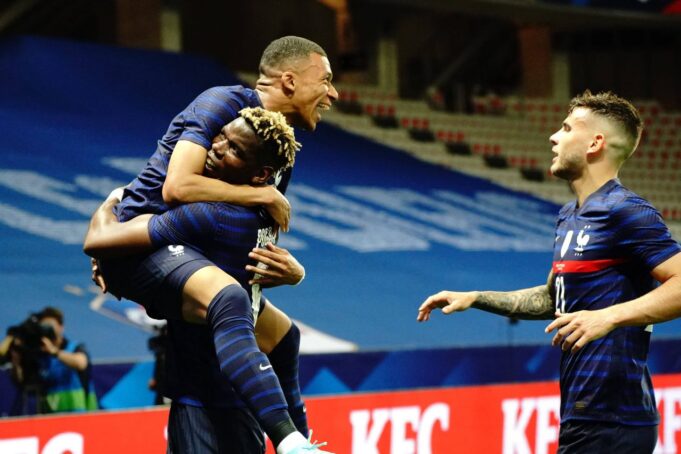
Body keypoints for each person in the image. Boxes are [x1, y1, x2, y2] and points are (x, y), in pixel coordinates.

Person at [417, 90, 681, 453]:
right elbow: (552, 297)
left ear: (595, 143)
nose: (554, 137)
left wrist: (608, 317)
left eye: (567, 127)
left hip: (615, 416)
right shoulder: (569, 216)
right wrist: (476, 298)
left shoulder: (627, 210)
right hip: (583, 413)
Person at [85, 108, 328, 453]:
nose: (216, 147)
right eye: (221, 136)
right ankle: (297, 440)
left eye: (234, 150)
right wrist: (297, 273)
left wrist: (113, 200)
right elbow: (286, 339)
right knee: (286, 333)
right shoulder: (266, 214)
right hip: (247, 400)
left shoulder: (207, 215)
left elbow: (99, 241)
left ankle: (294, 442)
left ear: (260, 175)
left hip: (202, 403)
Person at [5, 307, 98, 414]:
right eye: (43, 326)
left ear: (61, 327)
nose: (46, 329)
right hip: (50, 420)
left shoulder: (74, 348)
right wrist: (16, 361)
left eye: (50, 326)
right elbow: (24, 384)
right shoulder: (39, 356)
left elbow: (81, 363)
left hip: (80, 417)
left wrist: (54, 352)